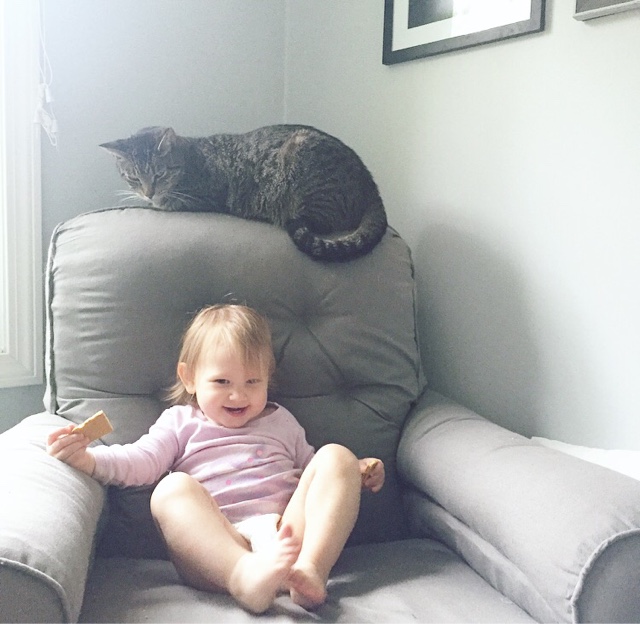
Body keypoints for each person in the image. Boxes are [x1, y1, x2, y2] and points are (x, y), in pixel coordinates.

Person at [46, 304, 385, 614]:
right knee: (170, 489)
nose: (238, 394)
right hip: (219, 547)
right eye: (222, 382)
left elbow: (314, 475)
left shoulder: (281, 420)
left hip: (286, 537)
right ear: (189, 378)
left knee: (336, 455)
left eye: (253, 381)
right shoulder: (180, 422)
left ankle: (310, 571)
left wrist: (352, 473)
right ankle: (244, 576)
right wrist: (90, 460)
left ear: (267, 378)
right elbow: (141, 461)